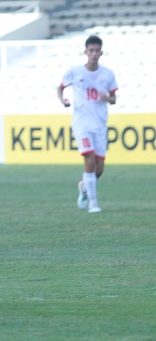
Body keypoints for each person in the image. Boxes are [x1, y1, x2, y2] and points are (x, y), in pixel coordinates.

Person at [56, 35, 117, 214]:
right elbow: (60, 87)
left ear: (101, 52)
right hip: (82, 123)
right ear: (86, 52)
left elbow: (114, 98)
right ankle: (93, 204)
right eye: (91, 50)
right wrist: (63, 100)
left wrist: (108, 98)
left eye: (97, 50)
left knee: (99, 169)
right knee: (89, 159)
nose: (94, 53)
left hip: (100, 125)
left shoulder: (107, 74)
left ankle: (84, 187)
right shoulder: (75, 72)